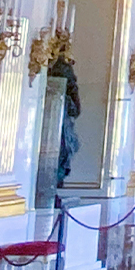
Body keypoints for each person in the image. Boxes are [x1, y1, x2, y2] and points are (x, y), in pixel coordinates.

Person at [47, 55, 81, 185]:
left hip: (62, 118)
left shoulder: (63, 67)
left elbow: (76, 108)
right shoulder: (60, 66)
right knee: (61, 150)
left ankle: (56, 180)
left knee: (64, 149)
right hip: (54, 121)